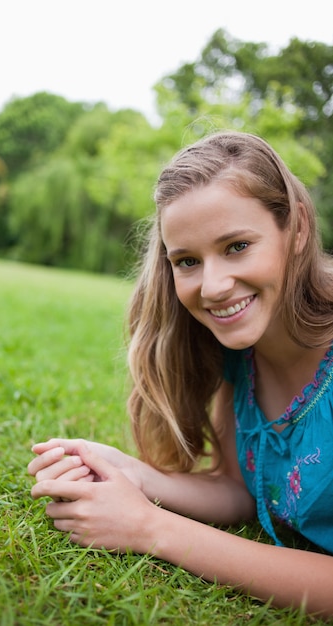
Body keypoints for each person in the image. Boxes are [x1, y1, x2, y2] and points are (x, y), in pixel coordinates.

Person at [28, 131, 333, 618]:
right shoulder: (243, 353)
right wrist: (133, 474)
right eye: (187, 261)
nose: (211, 286)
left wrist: (151, 529)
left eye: (237, 246)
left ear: (295, 229)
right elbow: (239, 489)